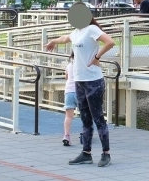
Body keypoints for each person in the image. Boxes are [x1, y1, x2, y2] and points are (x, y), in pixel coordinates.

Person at [46, 19, 117, 167]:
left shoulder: (91, 29)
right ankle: (86, 153)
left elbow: (110, 42)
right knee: (85, 119)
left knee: (98, 118)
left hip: (93, 80)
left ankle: (106, 153)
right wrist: (53, 41)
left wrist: (96, 57)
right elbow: (65, 38)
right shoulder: (76, 32)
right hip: (79, 81)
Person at [62, 51, 77, 146]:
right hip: (80, 92)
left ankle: (66, 136)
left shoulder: (69, 65)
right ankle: (86, 134)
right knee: (86, 115)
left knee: (68, 116)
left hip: (69, 91)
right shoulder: (82, 64)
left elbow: (66, 77)